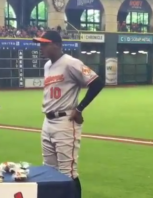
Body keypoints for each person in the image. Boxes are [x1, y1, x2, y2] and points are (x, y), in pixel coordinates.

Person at [33, 30, 105, 198]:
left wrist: (79, 108)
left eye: (45, 43)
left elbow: (97, 82)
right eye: (40, 44)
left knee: (67, 172)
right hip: (47, 122)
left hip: (65, 121)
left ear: (57, 45)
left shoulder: (71, 63)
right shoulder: (47, 66)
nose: (41, 47)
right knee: (48, 170)